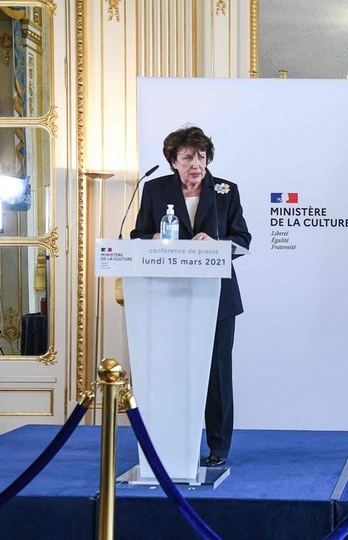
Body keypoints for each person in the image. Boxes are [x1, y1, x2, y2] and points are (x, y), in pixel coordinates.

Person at [131, 125, 251, 467]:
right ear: (173, 161)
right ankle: (170, 444)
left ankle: (218, 448)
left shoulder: (226, 190)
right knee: (170, 372)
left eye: (201, 157)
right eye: (187, 158)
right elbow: (137, 235)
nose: (195, 164)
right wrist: (152, 238)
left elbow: (243, 240)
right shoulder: (155, 189)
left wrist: (217, 244)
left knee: (217, 374)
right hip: (168, 296)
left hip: (218, 299)